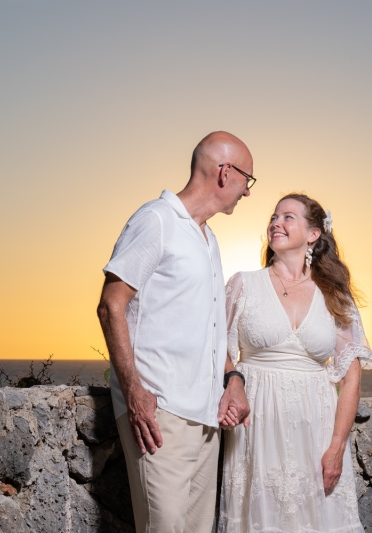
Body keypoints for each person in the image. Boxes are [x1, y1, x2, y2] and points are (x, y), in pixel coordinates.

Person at [97, 131, 253, 533]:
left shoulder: (208, 239)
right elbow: (111, 304)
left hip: (205, 417)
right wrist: (134, 389)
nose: (247, 193)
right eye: (247, 180)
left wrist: (232, 379)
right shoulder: (156, 220)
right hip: (159, 413)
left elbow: (212, 327)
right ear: (224, 172)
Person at [219, 193, 372, 533]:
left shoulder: (335, 295)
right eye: (274, 216)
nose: (276, 222)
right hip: (256, 424)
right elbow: (219, 348)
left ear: (313, 234)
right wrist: (233, 383)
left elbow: (351, 380)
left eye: (288, 217)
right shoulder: (244, 284)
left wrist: (336, 447)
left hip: (316, 429)